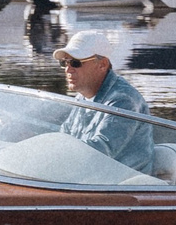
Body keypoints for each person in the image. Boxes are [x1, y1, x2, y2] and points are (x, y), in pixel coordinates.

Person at [53, 30, 160, 174]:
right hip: (90, 179)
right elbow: (64, 136)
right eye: (64, 63)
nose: (68, 69)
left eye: (76, 63)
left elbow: (101, 151)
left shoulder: (123, 100)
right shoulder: (82, 97)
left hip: (122, 186)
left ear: (102, 64)